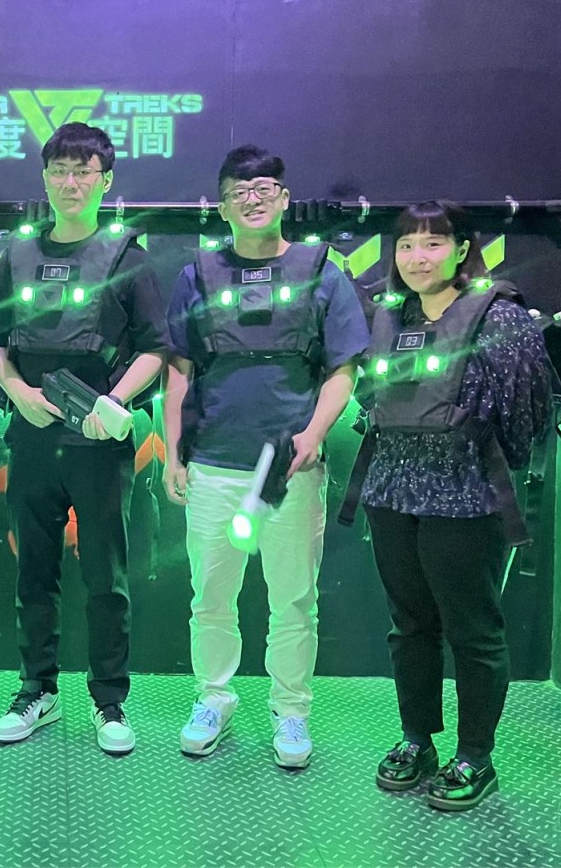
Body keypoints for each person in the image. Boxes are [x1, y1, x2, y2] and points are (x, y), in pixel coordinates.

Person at [163, 144, 369, 769]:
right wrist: (173, 454)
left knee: (293, 600)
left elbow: (343, 370)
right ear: (222, 207)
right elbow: (179, 370)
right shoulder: (197, 274)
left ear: (283, 198)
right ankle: (213, 699)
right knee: (210, 597)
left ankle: (291, 710)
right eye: (239, 192)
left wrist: (314, 433)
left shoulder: (322, 271)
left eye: (263, 189)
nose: (251, 200)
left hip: (290, 467)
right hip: (213, 462)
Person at [357, 200, 551, 811]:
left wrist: (479, 458)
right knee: (410, 625)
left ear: (463, 249)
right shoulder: (388, 315)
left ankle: (475, 756)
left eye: (433, 243)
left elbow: (527, 412)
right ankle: (417, 740)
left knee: (473, 631)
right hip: (390, 492)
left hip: (466, 496)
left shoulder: (501, 318)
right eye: (406, 245)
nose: (418, 257)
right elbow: (370, 395)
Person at [0, 122, 167, 755]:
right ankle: (37, 690)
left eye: (83, 171)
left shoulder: (128, 258)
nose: (71, 182)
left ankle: (109, 701)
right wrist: (17, 393)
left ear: (105, 180)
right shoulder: (15, 256)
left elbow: (156, 348)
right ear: (44, 178)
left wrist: (115, 402)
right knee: (33, 572)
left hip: (99, 438)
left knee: (105, 577)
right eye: (60, 170)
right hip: (32, 434)